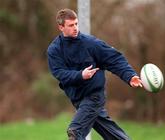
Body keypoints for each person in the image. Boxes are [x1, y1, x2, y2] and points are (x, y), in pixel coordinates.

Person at [47, 8, 142, 140]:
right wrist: (81, 75)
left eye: (76, 24)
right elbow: (60, 73)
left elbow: (114, 59)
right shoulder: (54, 50)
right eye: (71, 25)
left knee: (75, 131)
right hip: (78, 100)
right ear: (60, 27)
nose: (75, 28)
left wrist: (130, 76)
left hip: (94, 96)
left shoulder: (90, 43)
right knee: (112, 134)